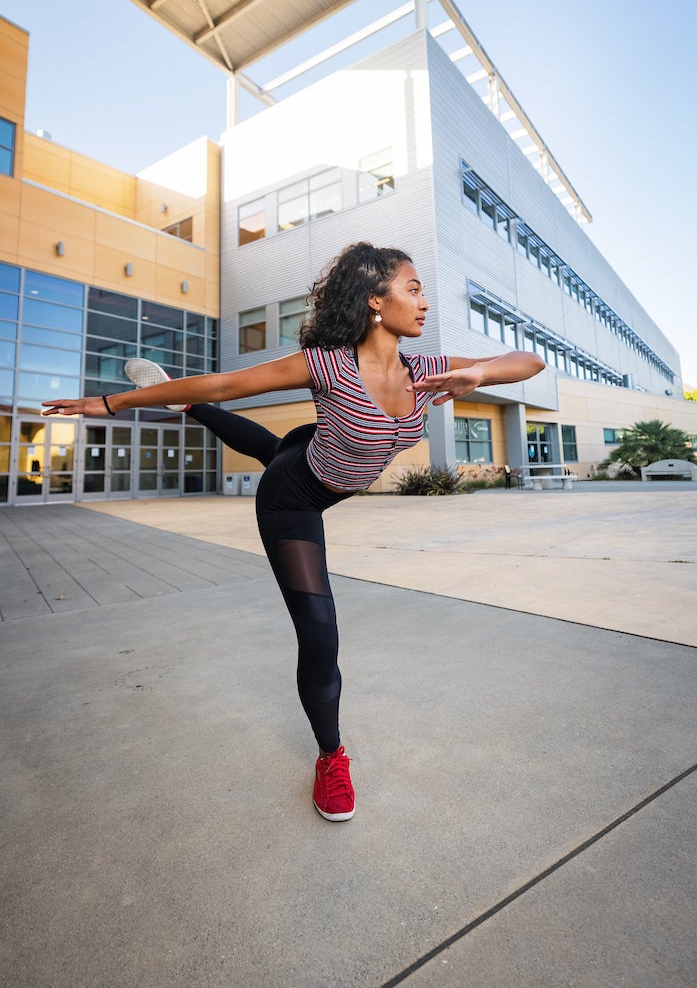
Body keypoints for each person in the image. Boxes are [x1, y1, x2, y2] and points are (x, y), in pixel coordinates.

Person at [42, 242, 545, 821]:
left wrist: (479, 372)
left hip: (314, 453)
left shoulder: (428, 372)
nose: (424, 302)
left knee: (274, 445)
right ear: (375, 302)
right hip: (294, 500)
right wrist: (112, 402)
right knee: (319, 631)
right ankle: (331, 758)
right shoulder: (328, 364)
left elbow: (529, 361)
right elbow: (227, 386)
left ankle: (196, 418)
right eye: (414, 289)